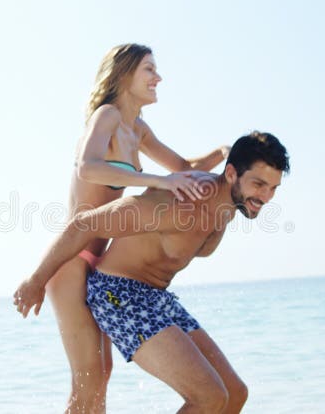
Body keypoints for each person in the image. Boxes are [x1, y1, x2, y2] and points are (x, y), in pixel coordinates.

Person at [15, 131, 290, 413]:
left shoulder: (230, 205)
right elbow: (84, 224)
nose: (265, 197)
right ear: (231, 173)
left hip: (155, 297)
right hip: (117, 294)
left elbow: (199, 248)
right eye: (259, 184)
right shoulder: (176, 202)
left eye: (273, 188)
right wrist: (35, 281)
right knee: (209, 397)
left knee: (234, 393)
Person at [44, 43, 230, 413]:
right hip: (71, 261)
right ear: (125, 74)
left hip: (97, 263)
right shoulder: (108, 115)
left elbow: (181, 166)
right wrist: (159, 182)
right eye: (149, 69)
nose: (157, 77)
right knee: (89, 379)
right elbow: (88, 167)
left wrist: (225, 155)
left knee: (101, 376)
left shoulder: (137, 129)